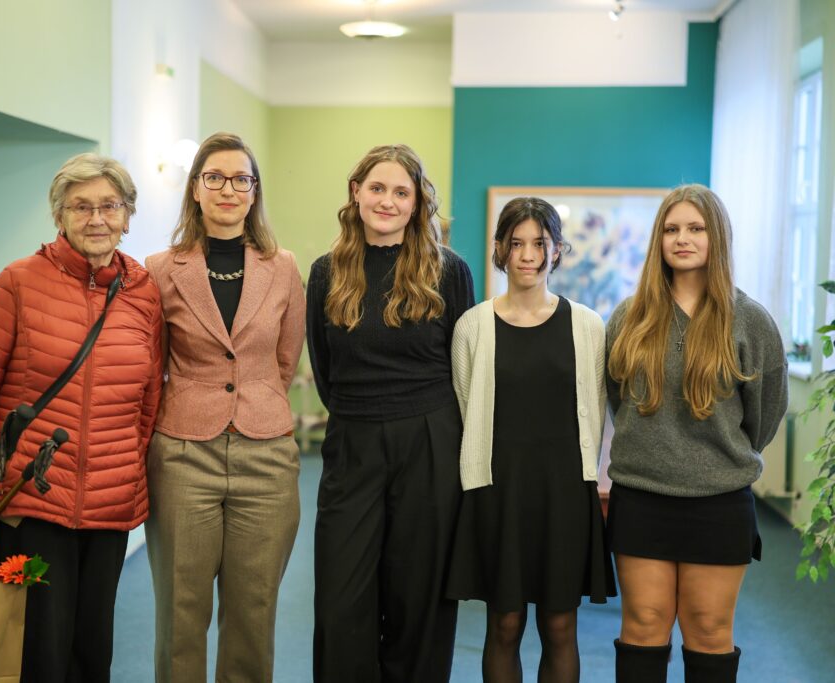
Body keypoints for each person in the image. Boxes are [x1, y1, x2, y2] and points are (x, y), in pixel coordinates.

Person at [0, 153, 163, 683]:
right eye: (81, 207)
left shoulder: (144, 294)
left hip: (108, 510)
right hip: (30, 506)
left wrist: (128, 475)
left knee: (92, 654)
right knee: (33, 654)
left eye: (110, 206)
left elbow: (148, 402)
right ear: (59, 216)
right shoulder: (18, 282)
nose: (96, 218)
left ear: (128, 215)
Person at [605, 184, 788, 683]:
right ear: (658, 239)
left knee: (709, 628)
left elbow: (765, 414)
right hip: (642, 495)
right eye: (671, 229)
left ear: (717, 237)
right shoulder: (629, 317)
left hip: (719, 500)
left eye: (695, 228)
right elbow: (618, 399)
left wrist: (719, 454)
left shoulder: (750, 320)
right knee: (644, 624)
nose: (682, 239)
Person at [306, 143, 475, 682]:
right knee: (341, 598)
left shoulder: (449, 271)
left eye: (401, 192)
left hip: (429, 442)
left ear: (417, 203)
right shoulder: (326, 272)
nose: (387, 201)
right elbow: (325, 368)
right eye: (377, 188)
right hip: (352, 442)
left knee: (418, 596)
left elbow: (465, 365)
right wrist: (364, 415)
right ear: (356, 192)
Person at [144, 132, 306, 683]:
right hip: (184, 454)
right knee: (180, 613)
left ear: (255, 190)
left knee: (253, 613)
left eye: (241, 179)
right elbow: (152, 361)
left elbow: (285, 360)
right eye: (215, 178)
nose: (229, 189)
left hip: (267, 456)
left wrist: (255, 400)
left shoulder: (283, 267)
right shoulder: (160, 268)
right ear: (195, 188)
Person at [446, 197, 616, 683]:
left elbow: (597, 406)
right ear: (500, 249)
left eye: (539, 243)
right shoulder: (472, 326)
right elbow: (465, 407)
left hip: (564, 494)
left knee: (560, 626)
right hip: (499, 493)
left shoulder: (587, 325)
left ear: (556, 250)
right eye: (516, 243)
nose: (527, 255)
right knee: (505, 624)